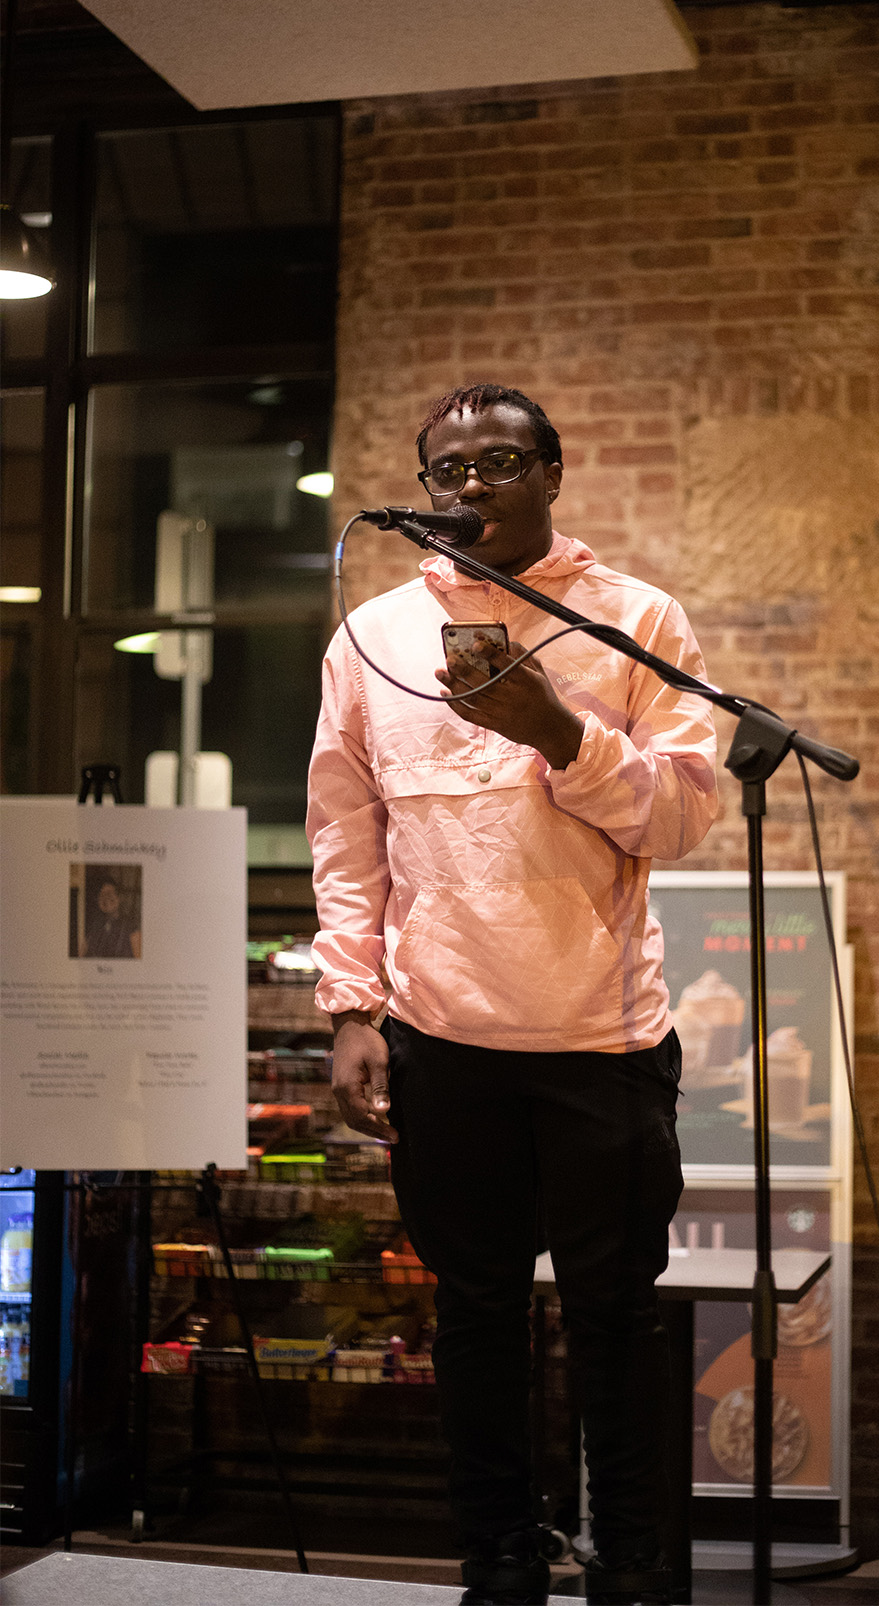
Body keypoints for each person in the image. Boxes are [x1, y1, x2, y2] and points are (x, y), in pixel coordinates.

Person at [307, 383, 718, 1606]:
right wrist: (351, 1008)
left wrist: (560, 732)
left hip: (603, 1035)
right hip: (444, 1035)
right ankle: (496, 1558)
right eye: (447, 470)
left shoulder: (637, 620)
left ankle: (631, 1561)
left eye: (497, 462)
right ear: (424, 488)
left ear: (552, 472)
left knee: (615, 1316)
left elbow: (687, 812)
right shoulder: (372, 637)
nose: (469, 487)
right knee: (476, 1314)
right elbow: (345, 830)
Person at [82, 877, 140, 958]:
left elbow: (139, 961)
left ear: (119, 898)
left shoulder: (131, 926)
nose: (105, 898)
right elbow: (81, 955)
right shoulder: (93, 926)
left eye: (109, 893)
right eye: (101, 895)